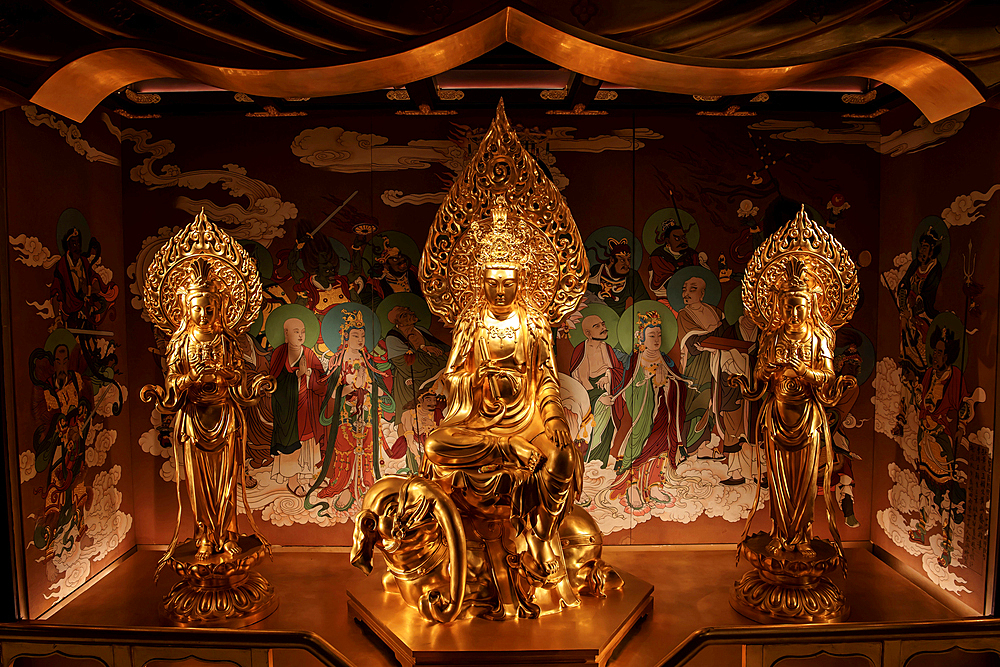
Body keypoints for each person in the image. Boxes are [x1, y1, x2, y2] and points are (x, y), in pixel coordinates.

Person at [422, 215, 580, 581]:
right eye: (492, 283)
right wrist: (478, 379)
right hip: (478, 420)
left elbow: (546, 379)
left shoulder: (534, 323)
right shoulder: (470, 322)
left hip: (527, 418)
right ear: (480, 283)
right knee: (435, 446)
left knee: (562, 459)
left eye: (508, 283)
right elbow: (453, 375)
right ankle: (506, 450)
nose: (500, 292)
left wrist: (554, 416)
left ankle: (540, 534)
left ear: (521, 283)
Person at [142, 258, 274, 568]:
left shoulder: (227, 340)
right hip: (194, 420)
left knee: (225, 482)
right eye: (197, 308)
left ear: (221, 309)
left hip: (225, 419)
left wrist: (224, 376)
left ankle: (227, 535)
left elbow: (239, 378)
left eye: (209, 308)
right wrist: (190, 378)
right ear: (185, 309)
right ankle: (203, 535)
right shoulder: (181, 342)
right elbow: (172, 380)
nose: (203, 314)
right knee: (198, 486)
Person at [746, 259, 851, 557]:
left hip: (808, 418)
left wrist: (805, 372)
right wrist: (768, 369)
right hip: (778, 414)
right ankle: (779, 534)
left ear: (811, 306)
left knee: (805, 481)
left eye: (799, 308)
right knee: (778, 479)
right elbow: (759, 374)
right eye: (788, 308)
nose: (793, 314)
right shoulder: (774, 336)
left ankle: (803, 535)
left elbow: (828, 375)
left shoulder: (820, 338)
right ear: (780, 307)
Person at [604, 311, 693, 503]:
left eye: (659, 335)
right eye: (652, 335)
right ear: (641, 338)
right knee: (638, 445)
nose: (657, 340)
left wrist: (669, 385)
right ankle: (632, 486)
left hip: (663, 412)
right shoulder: (636, 361)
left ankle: (654, 484)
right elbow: (627, 388)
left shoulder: (665, 360)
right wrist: (650, 384)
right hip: (642, 413)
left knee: (662, 444)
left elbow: (678, 384)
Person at [313, 310, 391, 510]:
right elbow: (330, 391)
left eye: (363, 336)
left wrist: (372, 389)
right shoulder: (337, 361)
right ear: (345, 337)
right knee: (344, 447)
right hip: (345, 413)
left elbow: (379, 386)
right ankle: (342, 483)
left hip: (366, 411)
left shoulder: (369, 361)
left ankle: (366, 482)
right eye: (355, 335)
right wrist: (344, 390)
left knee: (367, 447)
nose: (360, 339)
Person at [910, 326, 970, 565]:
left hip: (941, 439)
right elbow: (922, 402)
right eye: (935, 351)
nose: (936, 356)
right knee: (924, 485)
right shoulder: (929, 375)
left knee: (945, 496)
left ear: (948, 356)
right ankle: (922, 527)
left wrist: (960, 426)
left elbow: (963, 408)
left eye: (941, 352)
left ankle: (946, 547)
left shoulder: (953, 377)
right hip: (925, 438)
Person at [269, 317, 327, 496]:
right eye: (296, 331)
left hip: (307, 406)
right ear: (286, 334)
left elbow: (321, 378)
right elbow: (274, 382)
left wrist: (310, 376)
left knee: (309, 443)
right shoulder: (279, 354)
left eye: (302, 331)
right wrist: (296, 375)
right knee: (293, 445)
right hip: (288, 408)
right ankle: (292, 479)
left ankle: (309, 475)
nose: (301, 335)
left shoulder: (308, 353)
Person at [675, 275, 725, 459]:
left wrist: (713, 343)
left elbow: (724, 334)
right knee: (696, 402)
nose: (686, 293)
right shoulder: (684, 315)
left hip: (715, 363)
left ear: (703, 293)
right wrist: (711, 340)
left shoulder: (716, 313)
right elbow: (691, 343)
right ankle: (692, 447)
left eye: (692, 289)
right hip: (696, 366)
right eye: (684, 289)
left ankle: (707, 445)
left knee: (713, 401)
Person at [569, 314, 623, 468]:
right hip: (590, 398)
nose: (603, 328)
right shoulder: (583, 350)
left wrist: (608, 375)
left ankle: (601, 464)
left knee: (607, 431)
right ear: (587, 333)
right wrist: (600, 398)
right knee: (595, 428)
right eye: (597, 326)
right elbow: (583, 383)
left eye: (603, 324)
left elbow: (617, 370)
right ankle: (588, 462)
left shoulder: (607, 348)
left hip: (608, 393)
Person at [384, 304, 448, 423]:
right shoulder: (393, 338)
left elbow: (440, 349)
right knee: (412, 418)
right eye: (406, 313)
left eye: (410, 311)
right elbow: (406, 364)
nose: (412, 313)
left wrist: (429, 349)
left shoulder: (420, 330)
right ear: (400, 320)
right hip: (411, 380)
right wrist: (424, 350)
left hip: (435, 375)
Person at [586, 238, 647, 315]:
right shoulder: (597, 271)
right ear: (612, 260)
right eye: (622, 260)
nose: (627, 264)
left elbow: (643, 302)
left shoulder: (632, 276)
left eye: (629, 259)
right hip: (593, 317)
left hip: (617, 318)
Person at [648, 220, 699, 300]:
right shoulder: (659, 256)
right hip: (668, 297)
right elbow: (665, 280)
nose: (682, 241)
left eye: (684, 237)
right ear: (668, 241)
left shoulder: (692, 254)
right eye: (677, 239)